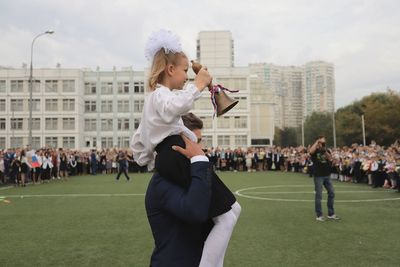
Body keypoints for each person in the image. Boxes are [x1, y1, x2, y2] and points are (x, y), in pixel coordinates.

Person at [133, 30, 239, 266]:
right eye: (183, 71)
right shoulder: (159, 96)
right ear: (170, 69)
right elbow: (177, 106)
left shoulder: (159, 99)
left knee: (233, 213)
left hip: (173, 154)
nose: (186, 78)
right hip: (177, 155)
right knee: (227, 219)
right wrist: (200, 84)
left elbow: (140, 143)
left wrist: (153, 158)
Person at [309, 136, 340, 222]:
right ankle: (319, 215)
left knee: (332, 193)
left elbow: (329, 158)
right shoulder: (314, 150)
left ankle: (331, 213)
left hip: (327, 175)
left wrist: (324, 150)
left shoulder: (325, 149)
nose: (323, 142)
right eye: (321, 140)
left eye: (324, 140)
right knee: (319, 195)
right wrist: (317, 142)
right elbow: (311, 151)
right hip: (318, 175)